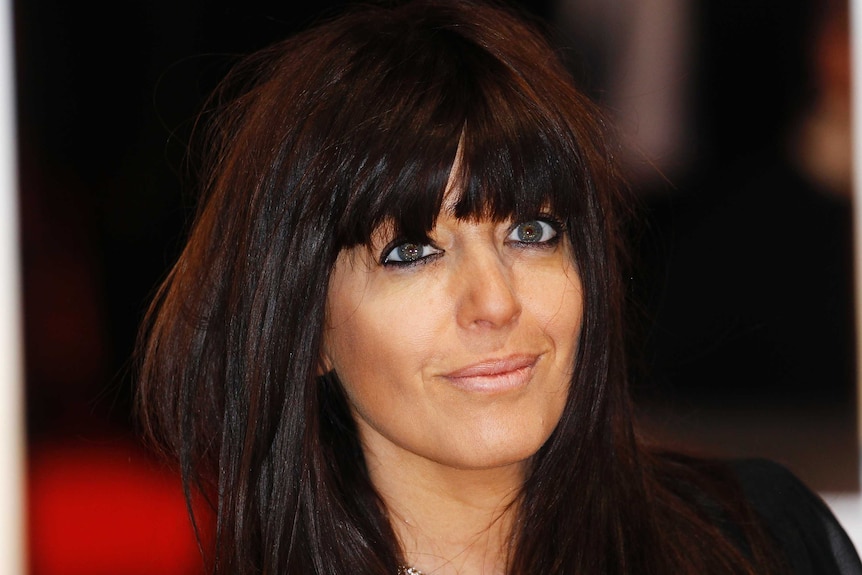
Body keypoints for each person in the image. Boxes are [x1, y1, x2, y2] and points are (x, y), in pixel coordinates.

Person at [135, 1, 862, 573]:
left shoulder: (763, 537)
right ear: (307, 327)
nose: (495, 301)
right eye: (413, 252)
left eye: (532, 234)